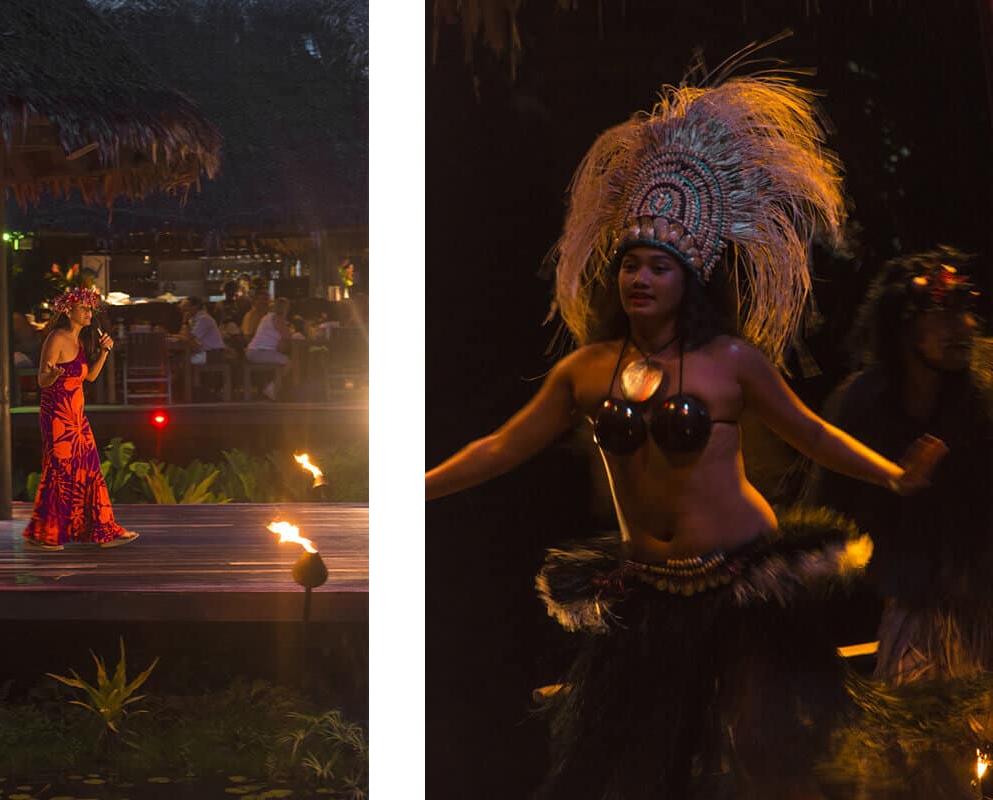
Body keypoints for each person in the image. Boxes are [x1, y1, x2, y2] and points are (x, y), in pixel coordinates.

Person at [425, 74, 948, 799]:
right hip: (645, 587)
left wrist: (892, 475)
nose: (640, 277)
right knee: (641, 765)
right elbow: (502, 446)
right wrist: (416, 487)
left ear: (689, 279)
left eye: (658, 267)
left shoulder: (731, 363)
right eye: (631, 265)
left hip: (743, 580)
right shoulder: (586, 371)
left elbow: (813, 432)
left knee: (764, 752)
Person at [807, 248, 993, 797]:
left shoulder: (983, 401)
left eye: (966, 312)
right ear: (903, 326)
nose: (962, 327)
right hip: (914, 604)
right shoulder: (862, 406)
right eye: (942, 313)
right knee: (915, 760)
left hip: (986, 598)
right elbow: (834, 515)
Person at [21, 286, 139, 551]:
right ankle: (43, 535)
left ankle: (103, 530)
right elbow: (42, 380)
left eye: (90, 308)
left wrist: (105, 351)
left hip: (77, 418)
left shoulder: (80, 341)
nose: (89, 312)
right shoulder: (57, 337)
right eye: (83, 308)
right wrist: (52, 376)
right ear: (68, 310)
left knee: (90, 470)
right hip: (57, 417)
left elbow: (90, 377)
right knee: (59, 471)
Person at [245, 296, 292, 401]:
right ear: (285, 309)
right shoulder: (277, 318)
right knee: (288, 362)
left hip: (253, 351)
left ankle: (273, 387)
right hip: (259, 353)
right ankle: (271, 388)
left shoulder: (268, 316)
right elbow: (287, 336)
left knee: (282, 359)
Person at [179, 296, 228, 364]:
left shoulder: (204, 319)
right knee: (180, 358)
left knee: (182, 361)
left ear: (195, 307)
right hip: (206, 353)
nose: (183, 309)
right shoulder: (193, 319)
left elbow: (188, 337)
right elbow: (186, 336)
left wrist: (185, 322)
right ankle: (193, 374)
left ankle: (190, 375)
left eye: (186, 306)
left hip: (214, 354)